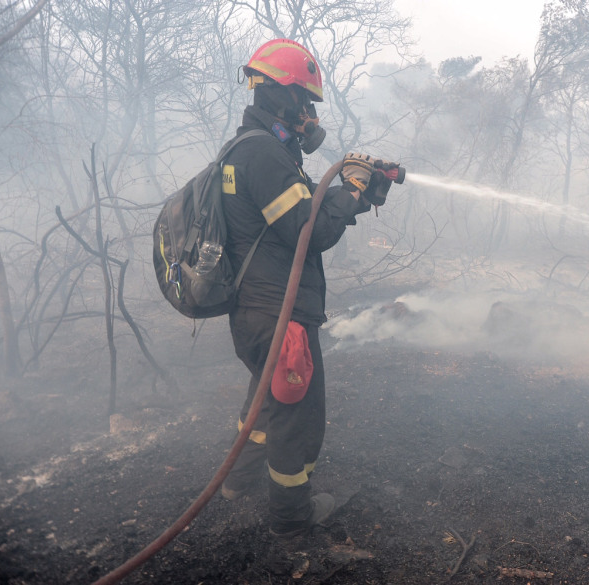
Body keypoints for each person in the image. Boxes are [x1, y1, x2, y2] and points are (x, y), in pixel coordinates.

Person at [218, 38, 393, 539]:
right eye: (305, 103)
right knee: (298, 413)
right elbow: (308, 232)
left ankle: (238, 483)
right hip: (280, 314)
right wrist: (352, 187)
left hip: (255, 311)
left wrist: (353, 197)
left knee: (263, 400)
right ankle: (293, 515)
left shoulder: (250, 150)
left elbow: (297, 216)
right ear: (280, 95)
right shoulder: (263, 155)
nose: (308, 115)